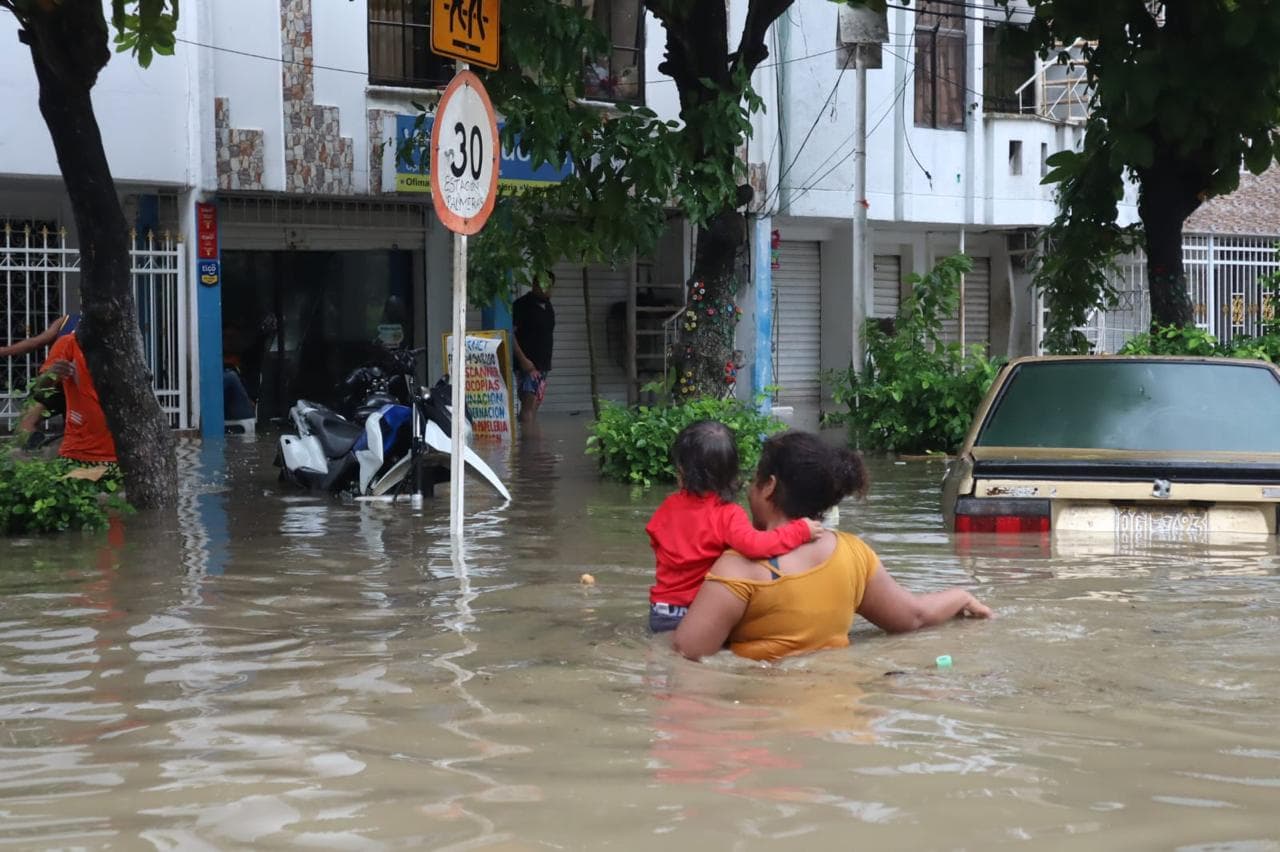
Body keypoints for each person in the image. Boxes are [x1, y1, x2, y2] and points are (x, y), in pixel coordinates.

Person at [672, 431, 991, 662]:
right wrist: (960, 596)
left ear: (769, 486)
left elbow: (684, 655)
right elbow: (914, 618)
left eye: (755, 480)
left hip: (764, 720)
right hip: (842, 706)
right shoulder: (853, 553)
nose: (748, 491)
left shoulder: (738, 567)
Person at [647, 420, 823, 633]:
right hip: (700, 614)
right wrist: (801, 530)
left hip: (661, 612)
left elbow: (656, 542)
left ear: (682, 470)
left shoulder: (667, 507)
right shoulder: (727, 514)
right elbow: (757, 546)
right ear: (732, 473)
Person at [18, 329, 116, 467]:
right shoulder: (69, 338)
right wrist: (53, 373)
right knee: (28, 419)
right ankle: (36, 447)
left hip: (85, 393)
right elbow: (41, 386)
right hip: (62, 387)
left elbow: (37, 341)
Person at [511, 272, 555, 426]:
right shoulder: (521, 305)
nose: (547, 290)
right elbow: (510, 334)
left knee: (535, 405)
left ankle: (531, 440)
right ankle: (528, 444)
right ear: (535, 286)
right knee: (528, 406)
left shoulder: (548, 306)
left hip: (542, 366)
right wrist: (523, 360)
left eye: (549, 287)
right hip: (528, 366)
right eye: (543, 286)